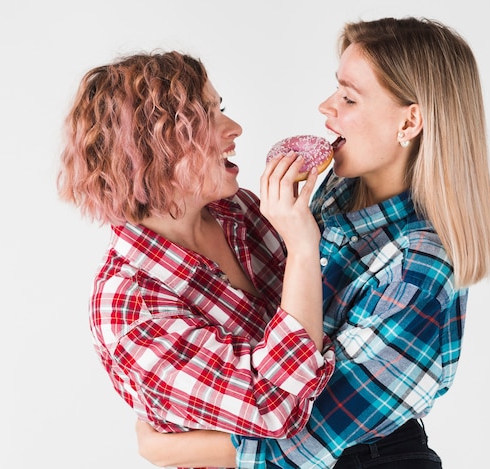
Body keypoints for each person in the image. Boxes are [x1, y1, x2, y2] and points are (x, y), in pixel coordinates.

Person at [135, 16, 490, 469]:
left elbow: (309, 437)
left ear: (410, 122)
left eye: (348, 97)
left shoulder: (419, 266)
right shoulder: (336, 192)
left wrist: (166, 448)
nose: (325, 107)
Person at [56, 50, 337, 468]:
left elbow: (338, 329)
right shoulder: (129, 303)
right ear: (151, 148)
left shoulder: (242, 210)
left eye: (220, 109)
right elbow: (274, 405)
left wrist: (166, 448)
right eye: (206, 117)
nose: (235, 128)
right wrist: (301, 249)